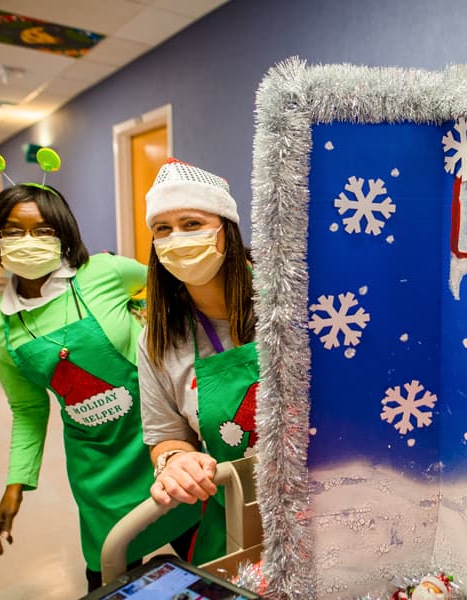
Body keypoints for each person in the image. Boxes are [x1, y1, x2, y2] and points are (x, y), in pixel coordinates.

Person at [0, 179, 199, 591]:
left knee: (203, 561)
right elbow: (28, 409)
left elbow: (172, 285)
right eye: (13, 230)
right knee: (110, 578)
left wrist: (148, 316)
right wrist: (15, 486)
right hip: (98, 469)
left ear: (63, 234)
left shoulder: (105, 272)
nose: (28, 241)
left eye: (43, 229)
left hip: (165, 446)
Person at [138, 158, 259, 565]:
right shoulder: (158, 338)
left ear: (226, 228)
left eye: (192, 224)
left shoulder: (289, 298)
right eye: (163, 229)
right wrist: (176, 461)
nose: (177, 239)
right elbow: (165, 436)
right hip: (236, 521)